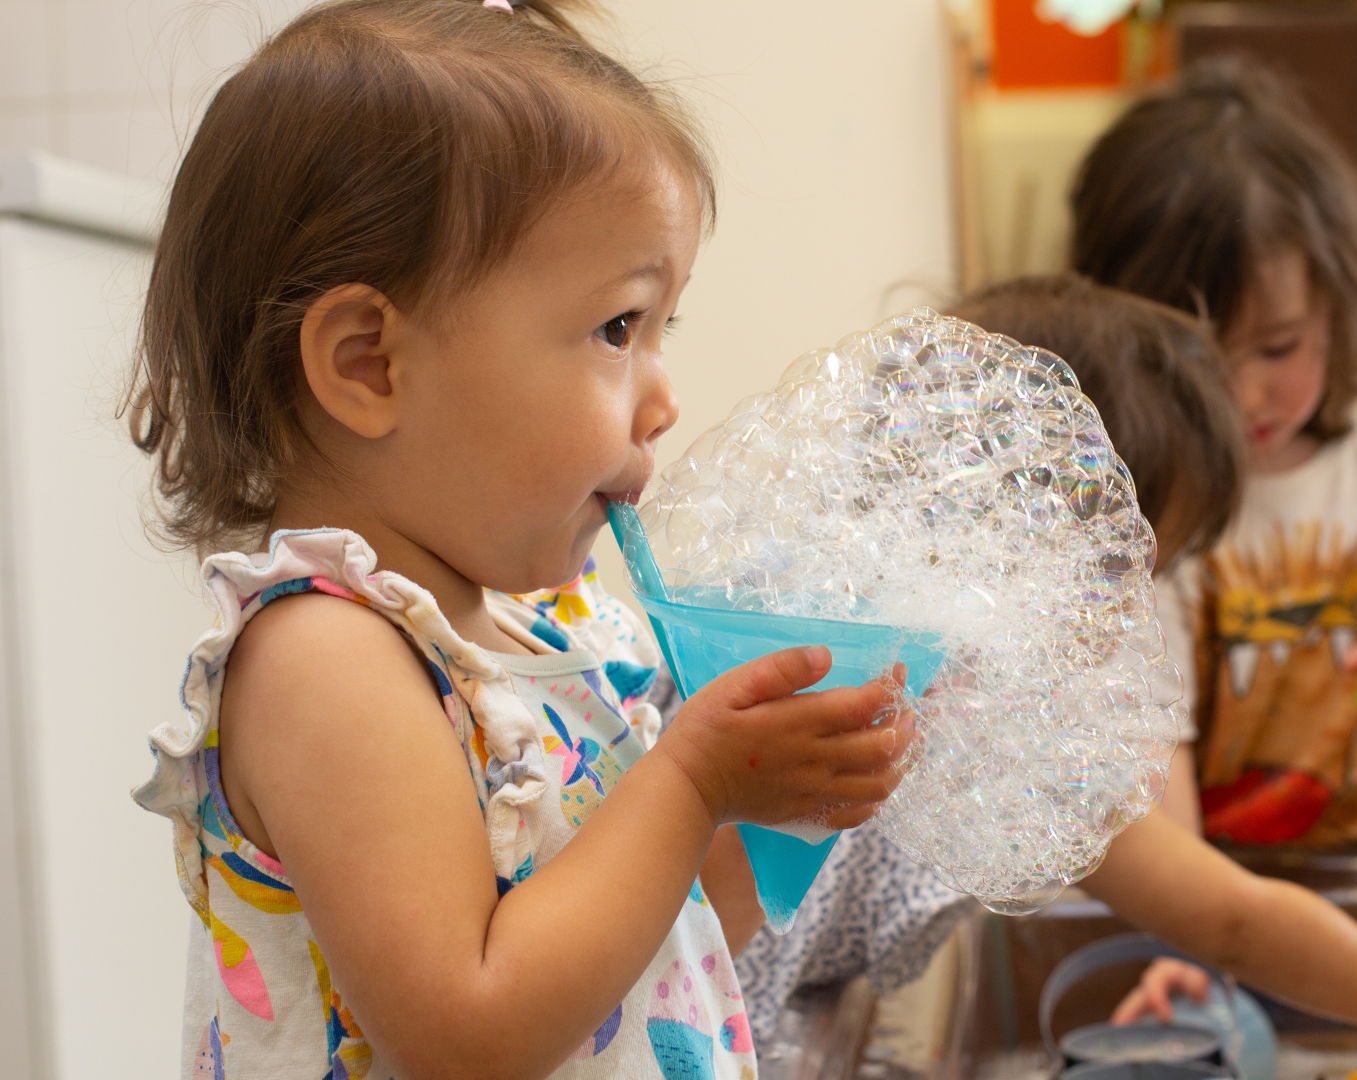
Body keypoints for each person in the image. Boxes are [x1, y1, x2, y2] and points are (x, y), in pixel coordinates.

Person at [127, 1, 914, 1075]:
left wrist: (780, 796)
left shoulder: (562, 629)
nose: (664, 396)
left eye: (658, 330)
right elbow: (472, 1028)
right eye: (618, 328)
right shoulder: (329, 662)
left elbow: (669, 946)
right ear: (370, 364)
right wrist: (690, 787)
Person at [733, 275, 1357, 1061]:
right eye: (1123, 574)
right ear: (1009, 528)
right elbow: (1233, 920)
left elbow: (1229, 919)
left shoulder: (874, 673)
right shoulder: (920, 714)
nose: (1129, 621)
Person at [1071, 56, 1357, 961]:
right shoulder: (1135, 492)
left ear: (1336, 302)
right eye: (1199, 356)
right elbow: (1157, 746)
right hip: (1204, 884)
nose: (1245, 396)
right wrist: (1190, 940)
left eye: (1279, 346)